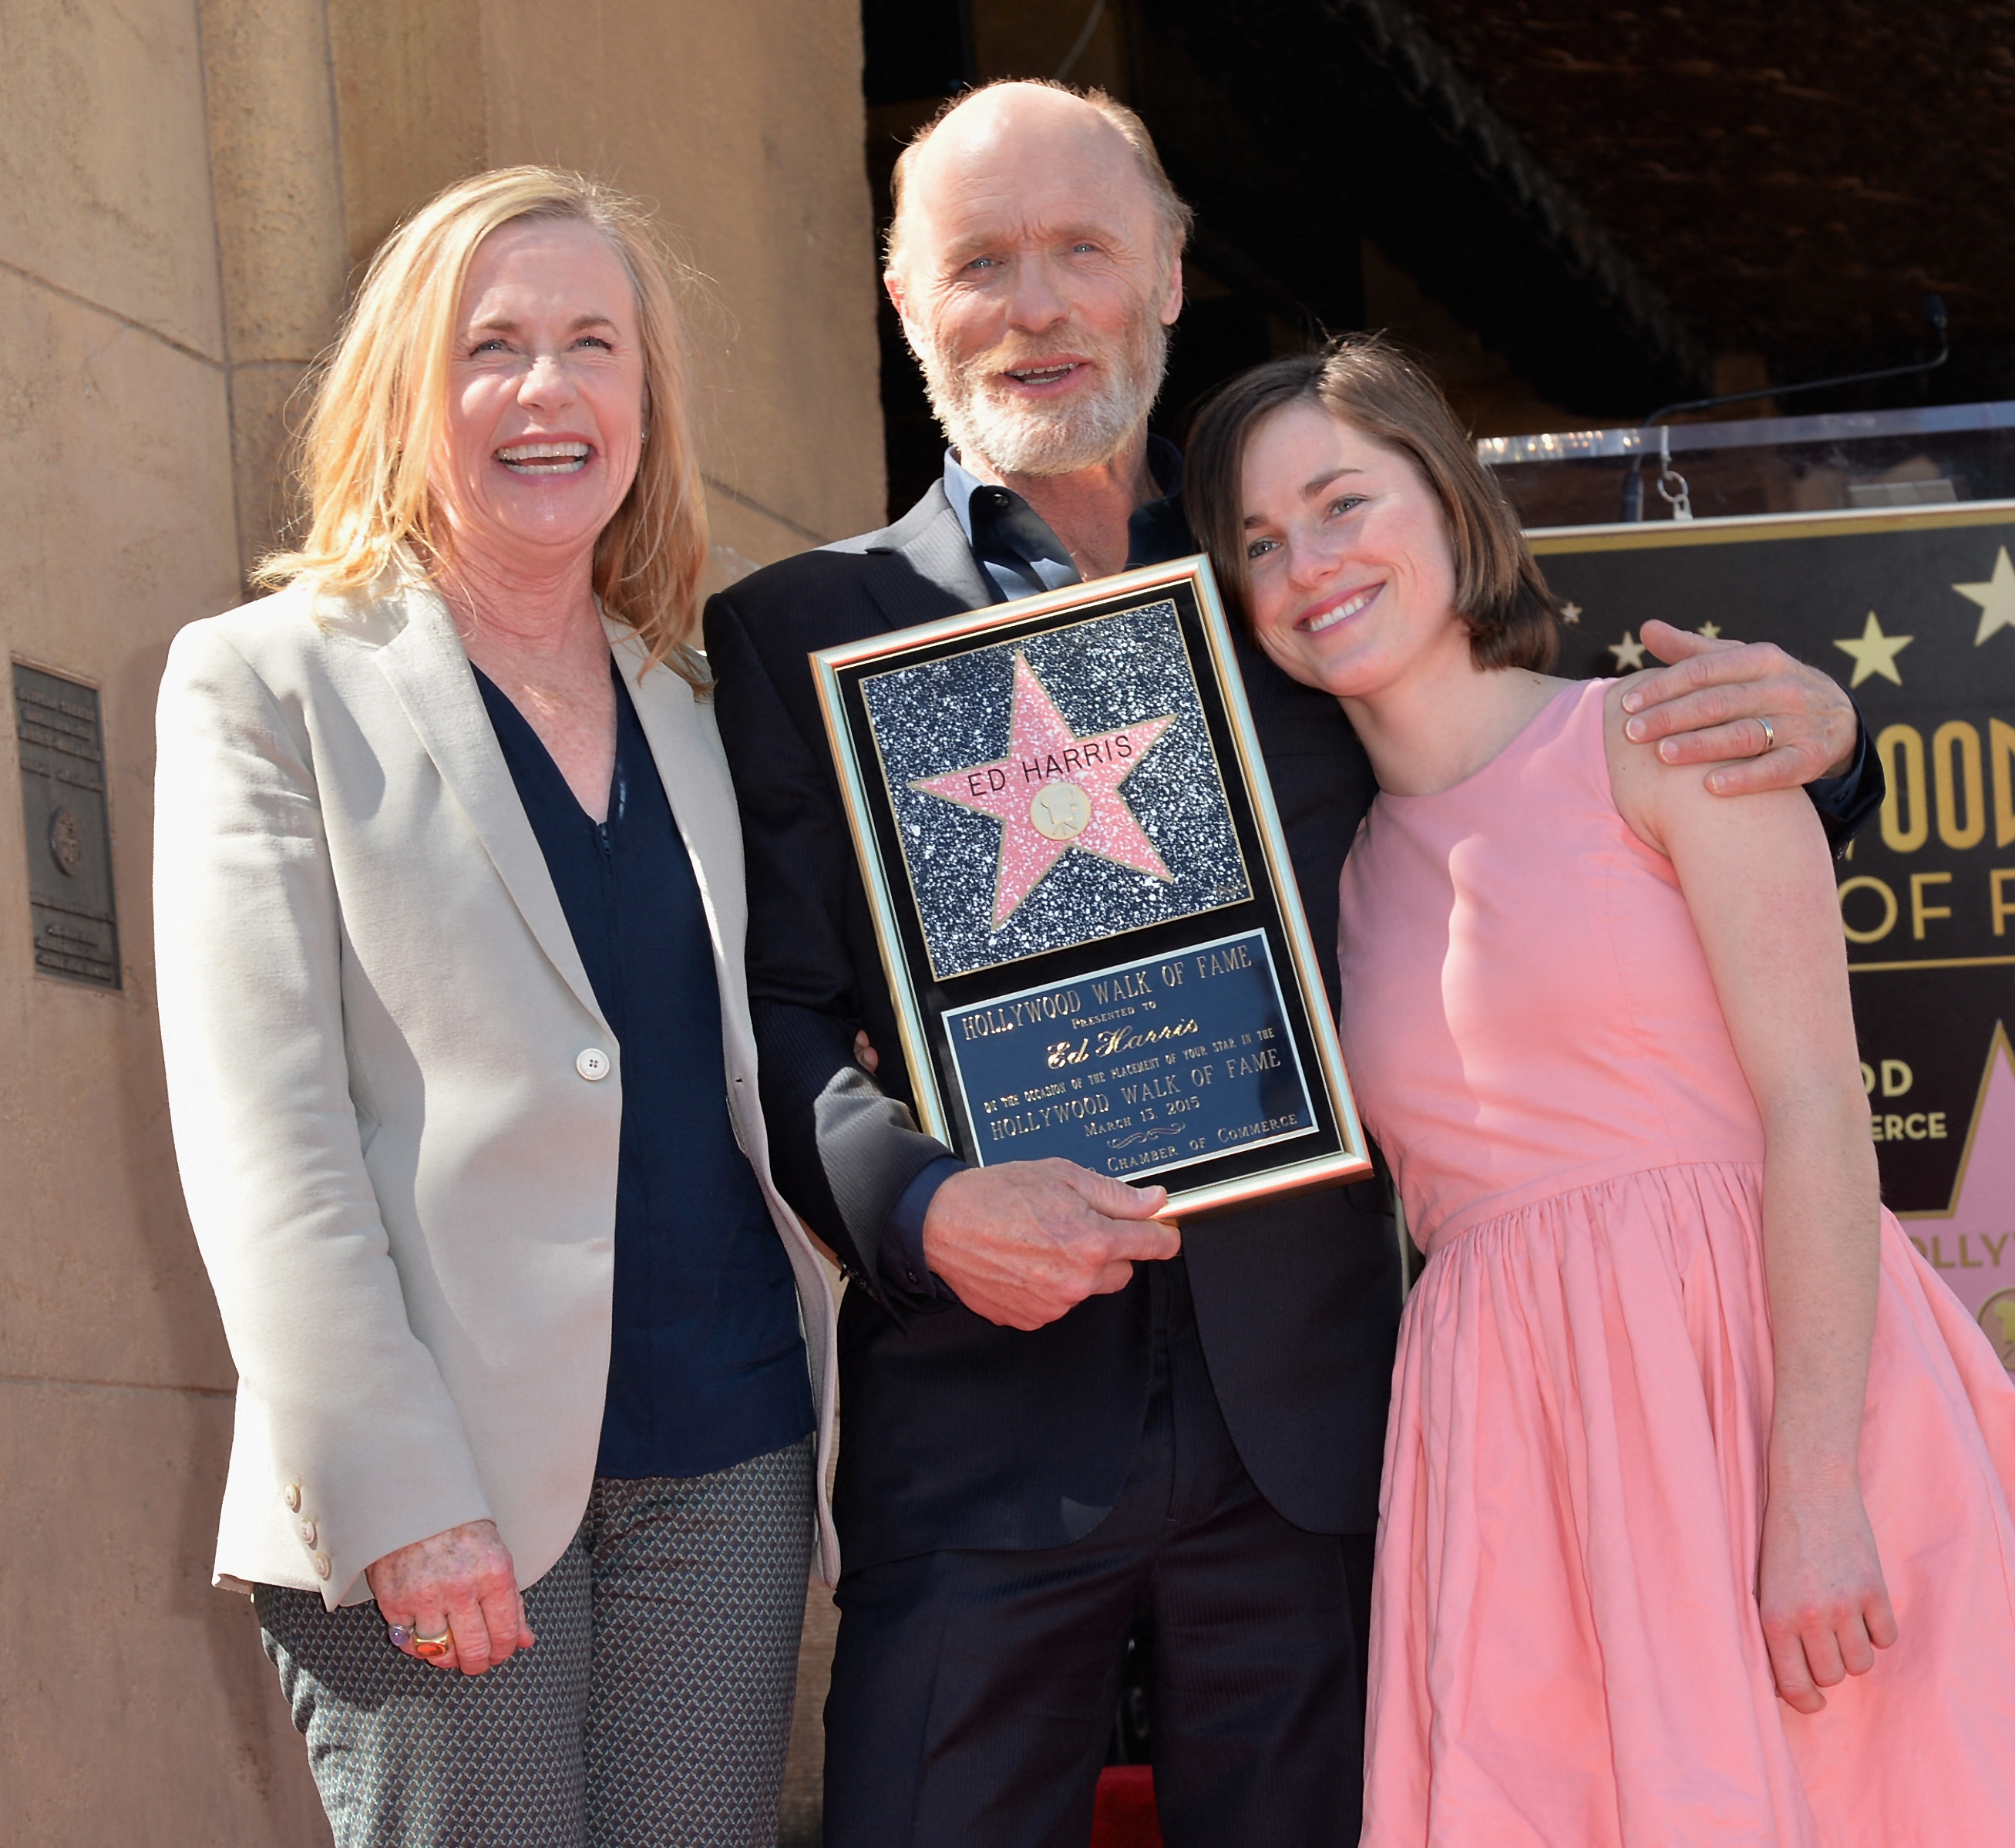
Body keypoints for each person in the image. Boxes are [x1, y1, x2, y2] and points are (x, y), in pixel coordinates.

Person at [705, 79, 1881, 1848]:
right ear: (904, 302)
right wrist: (921, 1208)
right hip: (982, 1440)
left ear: (1169, 275)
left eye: (1082, 250)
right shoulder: (801, 627)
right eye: (982, 262)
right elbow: (782, 1015)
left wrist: (1823, 744)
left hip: (1319, 1444)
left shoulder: (1304, 586)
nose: (1034, 305)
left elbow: (1542, 802)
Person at [1184, 335, 2015, 1846]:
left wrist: (1813, 1486)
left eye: (1344, 501)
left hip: (1765, 1402)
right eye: (1261, 541)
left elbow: (1815, 1108)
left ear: (1451, 501)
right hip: (1517, 1465)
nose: (1309, 562)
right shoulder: (1329, 881)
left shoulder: (1662, 737)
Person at [154, 167, 836, 1847]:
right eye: (494, 346)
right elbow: (269, 1136)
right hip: (440, 1475)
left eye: (593, 343)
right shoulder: (267, 680)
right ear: (408, 386)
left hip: (727, 1450)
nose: (549, 390)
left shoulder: (697, 699)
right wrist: (396, 1490)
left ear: (645, 399)